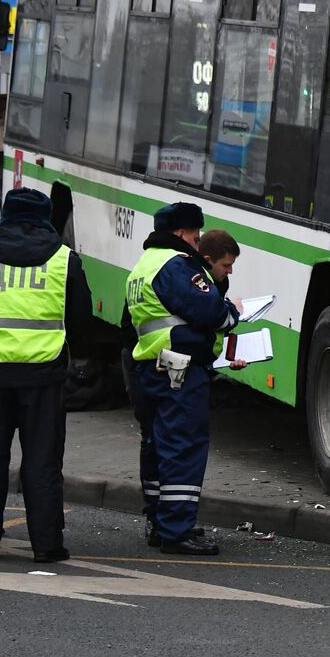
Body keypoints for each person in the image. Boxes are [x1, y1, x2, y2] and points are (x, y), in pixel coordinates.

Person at [0, 188, 93, 563]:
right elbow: (81, 320)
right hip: (43, 375)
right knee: (42, 462)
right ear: (45, 217)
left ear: (5, 216)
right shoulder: (64, 259)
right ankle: (46, 546)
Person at [125, 203, 241, 555]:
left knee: (157, 445)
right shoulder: (176, 265)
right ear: (180, 235)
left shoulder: (142, 267)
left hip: (150, 367)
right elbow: (208, 310)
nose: (197, 244)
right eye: (194, 237)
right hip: (180, 371)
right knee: (183, 447)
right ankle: (177, 530)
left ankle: (160, 522)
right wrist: (232, 313)